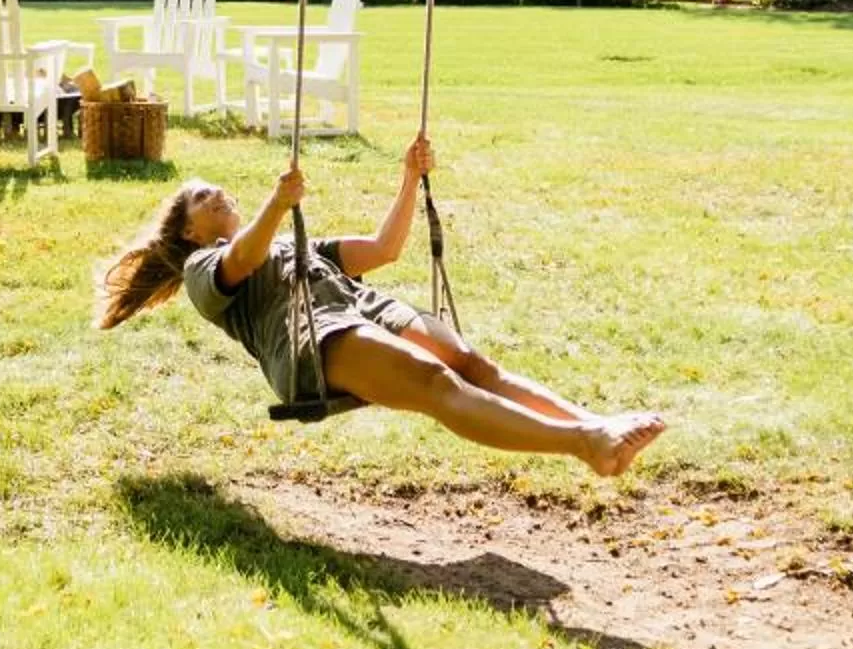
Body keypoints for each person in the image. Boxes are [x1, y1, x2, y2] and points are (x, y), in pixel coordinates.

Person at [95, 137, 667, 478]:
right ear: (191, 231)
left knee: (473, 365)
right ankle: (585, 444)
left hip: (362, 307)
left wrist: (408, 177)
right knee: (434, 380)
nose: (216, 194)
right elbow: (242, 261)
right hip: (312, 340)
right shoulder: (202, 270)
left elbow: (384, 249)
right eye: (201, 196)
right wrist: (276, 203)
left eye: (215, 189)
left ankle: (593, 424)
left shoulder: (295, 243)